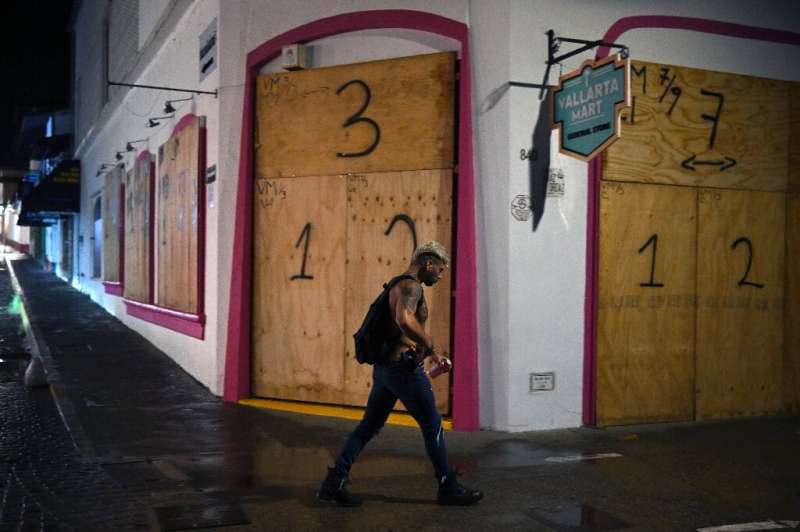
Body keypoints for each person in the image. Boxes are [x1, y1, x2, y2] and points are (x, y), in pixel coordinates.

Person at [317, 241, 483, 507]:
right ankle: (447, 486)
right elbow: (405, 320)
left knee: (369, 426)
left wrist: (429, 353)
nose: (440, 277)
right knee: (433, 426)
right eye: (440, 270)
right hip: (404, 370)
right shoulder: (411, 286)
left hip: (385, 370)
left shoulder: (396, 284)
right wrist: (430, 344)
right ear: (428, 263)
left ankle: (335, 481)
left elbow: (400, 331)